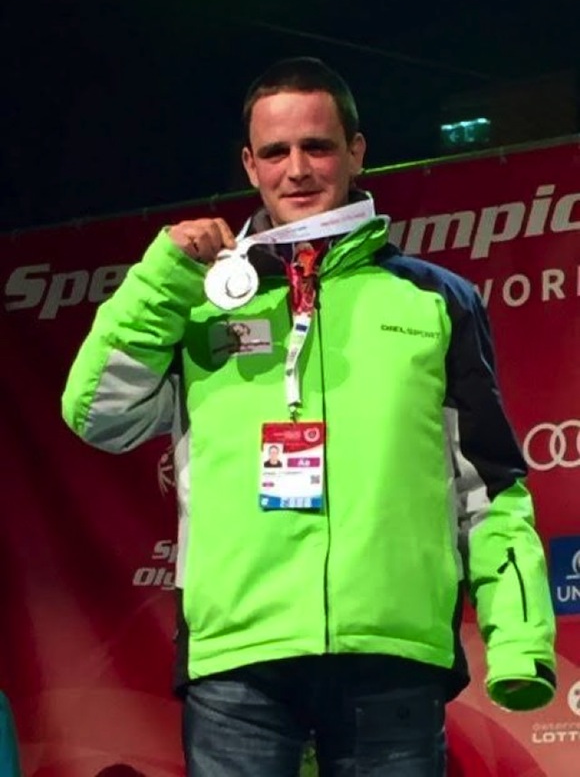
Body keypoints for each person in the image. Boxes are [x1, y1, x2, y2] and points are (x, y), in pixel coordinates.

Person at [62, 57, 556, 776]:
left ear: (356, 152)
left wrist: (518, 642)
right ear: (250, 165)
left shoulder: (435, 300)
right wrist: (162, 281)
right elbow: (97, 413)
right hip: (238, 662)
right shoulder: (198, 299)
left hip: (392, 655)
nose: (296, 169)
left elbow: (492, 489)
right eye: (275, 152)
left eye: (317, 146)